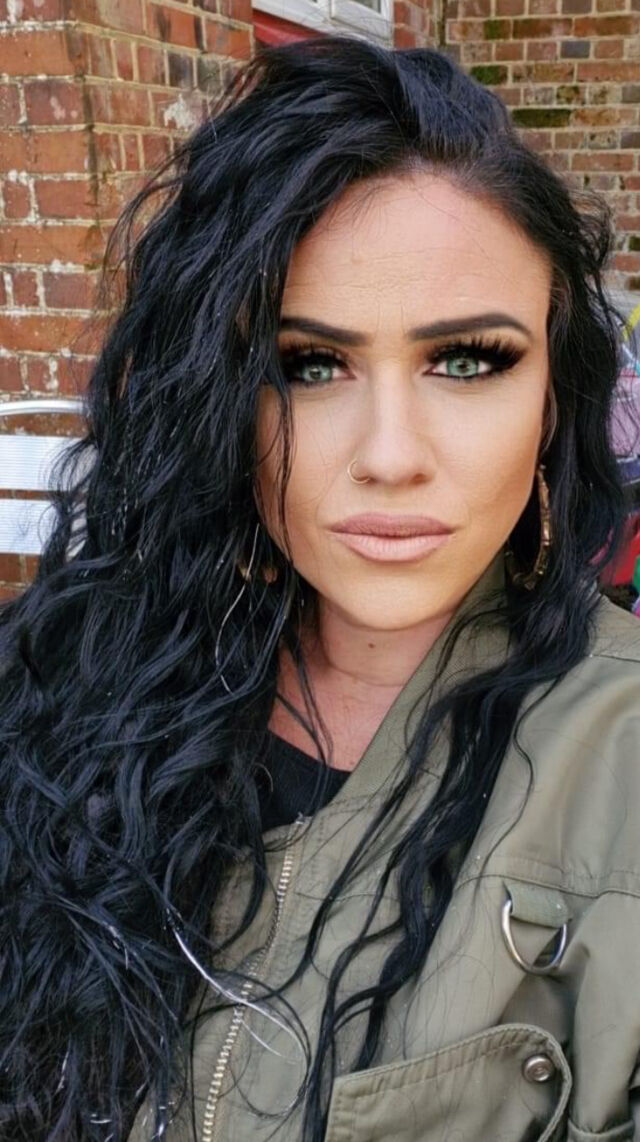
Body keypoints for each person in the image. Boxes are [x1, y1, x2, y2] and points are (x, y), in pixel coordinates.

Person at [2, 33, 639, 1142]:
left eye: (467, 359)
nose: (389, 455)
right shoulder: (67, 678)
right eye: (307, 363)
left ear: (553, 394)